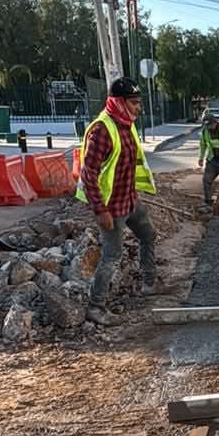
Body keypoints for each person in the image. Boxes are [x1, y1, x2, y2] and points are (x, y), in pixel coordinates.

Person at [76, 76, 157, 326]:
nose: (138, 108)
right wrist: (101, 211)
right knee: (112, 255)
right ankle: (96, 307)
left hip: (130, 200)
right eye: (134, 103)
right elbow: (88, 174)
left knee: (149, 234)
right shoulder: (102, 129)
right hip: (111, 207)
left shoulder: (126, 124)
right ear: (119, 102)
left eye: (139, 102)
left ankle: (149, 283)